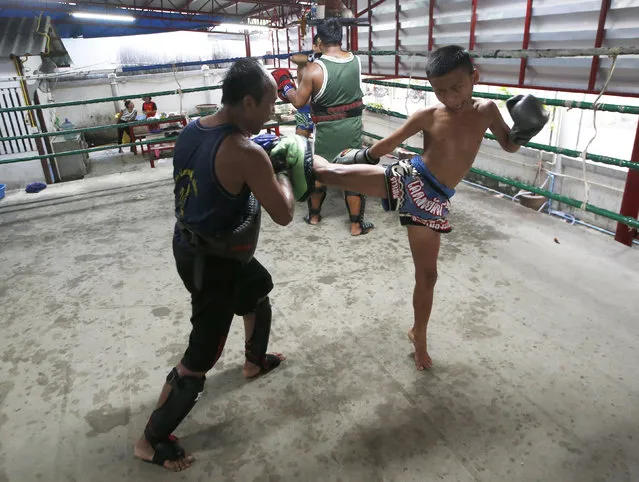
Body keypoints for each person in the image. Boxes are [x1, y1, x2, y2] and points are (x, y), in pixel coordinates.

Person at [278, 45, 549, 371]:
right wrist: (361, 156)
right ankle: (279, 152)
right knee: (328, 172)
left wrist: (524, 131)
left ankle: (417, 333)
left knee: (428, 275)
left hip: (433, 201)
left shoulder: (488, 109)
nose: (449, 96)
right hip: (410, 178)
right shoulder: (429, 116)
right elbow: (388, 143)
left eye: (457, 87)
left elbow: (509, 144)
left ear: (474, 77)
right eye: (440, 90)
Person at [134, 58, 302, 471]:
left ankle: (254, 361)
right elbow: (283, 213)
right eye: (268, 104)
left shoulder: (193, 128)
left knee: (257, 288)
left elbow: (213, 180)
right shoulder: (246, 152)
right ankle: (151, 439)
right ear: (247, 102)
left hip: (192, 246)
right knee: (200, 357)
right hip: (213, 263)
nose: (272, 112)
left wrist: (258, 159)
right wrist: (283, 172)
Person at [271, 18, 374, 236]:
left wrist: (286, 86)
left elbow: (299, 102)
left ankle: (315, 216)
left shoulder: (314, 70)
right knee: (351, 171)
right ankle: (356, 225)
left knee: (319, 171)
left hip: (327, 130)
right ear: (340, 38)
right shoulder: (356, 61)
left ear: (319, 40)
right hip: (353, 126)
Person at [289, 35, 321, 139]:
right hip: (305, 108)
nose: (323, 47)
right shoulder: (306, 61)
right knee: (300, 145)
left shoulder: (329, 62)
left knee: (322, 146)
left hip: (322, 110)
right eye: (320, 44)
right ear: (314, 46)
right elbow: (294, 58)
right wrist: (314, 58)